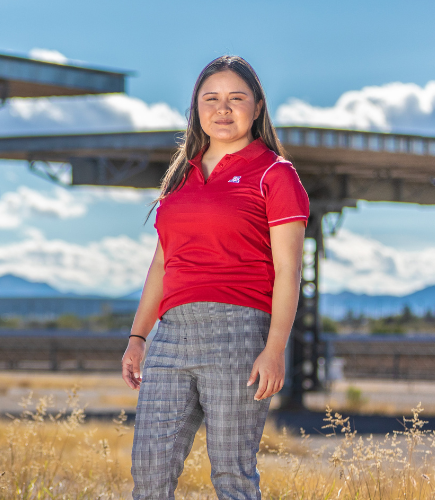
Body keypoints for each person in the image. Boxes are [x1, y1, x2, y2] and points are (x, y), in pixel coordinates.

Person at [120, 55, 310, 500]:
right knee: (148, 470)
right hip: (171, 336)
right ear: (197, 109)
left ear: (258, 107)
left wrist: (275, 349)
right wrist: (138, 337)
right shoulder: (180, 178)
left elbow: (289, 270)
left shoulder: (276, 174)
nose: (223, 109)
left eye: (236, 98)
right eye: (211, 99)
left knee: (231, 475)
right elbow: (162, 266)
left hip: (240, 334)